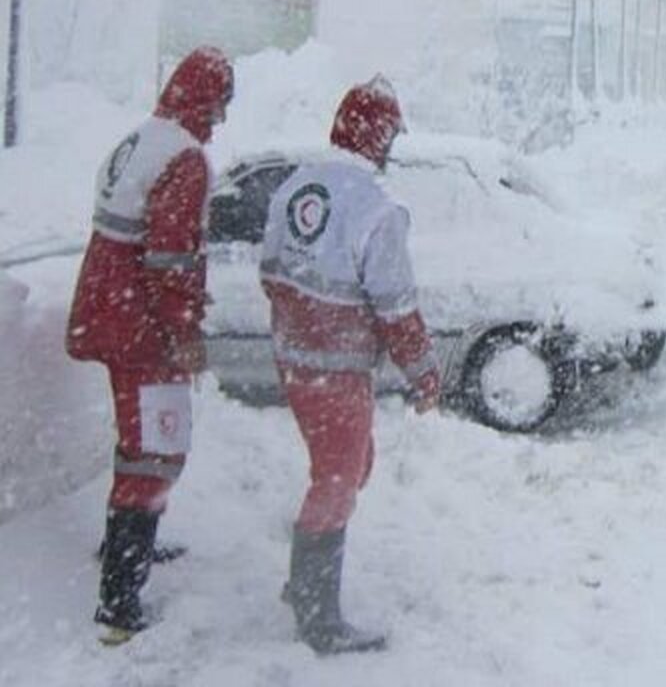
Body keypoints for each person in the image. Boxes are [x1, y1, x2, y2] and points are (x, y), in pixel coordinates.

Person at [258, 75, 440, 655]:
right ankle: (317, 615)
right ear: (379, 137)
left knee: (352, 466)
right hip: (335, 370)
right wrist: (423, 373)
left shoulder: (295, 185)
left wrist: (300, 325)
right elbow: (397, 306)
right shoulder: (377, 210)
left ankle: (304, 580)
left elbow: (271, 270)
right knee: (337, 479)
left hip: (295, 361)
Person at [64, 46, 234, 643]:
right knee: (157, 447)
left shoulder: (140, 138)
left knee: (136, 437)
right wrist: (184, 333)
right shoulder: (185, 160)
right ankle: (119, 601)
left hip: (106, 309)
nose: (221, 120)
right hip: (142, 323)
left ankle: (123, 542)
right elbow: (171, 260)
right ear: (204, 99)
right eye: (221, 104)